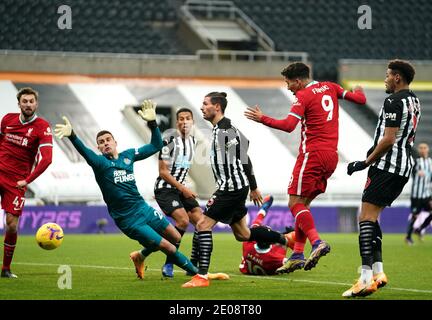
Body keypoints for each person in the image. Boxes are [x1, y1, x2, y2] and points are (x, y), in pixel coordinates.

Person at [54, 100, 208, 280]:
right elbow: (85, 152)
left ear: (115, 142)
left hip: (143, 208)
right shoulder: (100, 163)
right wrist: (72, 135)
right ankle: (198, 274)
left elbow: (156, 145)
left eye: (108, 140)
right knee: (168, 246)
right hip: (128, 219)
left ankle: (140, 256)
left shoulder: (128, 156)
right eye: (101, 142)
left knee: (176, 237)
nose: (105, 144)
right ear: (98, 147)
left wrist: (152, 123)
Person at [244, 62, 366, 275]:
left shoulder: (304, 96)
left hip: (312, 155)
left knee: (294, 202)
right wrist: (358, 91)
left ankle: (316, 242)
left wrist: (262, 119)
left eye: (288, 83)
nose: (288, 88)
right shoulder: (331, 86)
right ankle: (297, 254)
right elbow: (360, 100)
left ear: (298, 81)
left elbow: (289, 125)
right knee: (303, 205)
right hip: (331, 156)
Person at [182, 92, 288, 288]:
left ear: (217, 107)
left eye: (205, 104)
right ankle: (284, 238)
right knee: (243, 235)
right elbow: (245, 144)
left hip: (231, 189)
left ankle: (201, 276)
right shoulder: (219, 130)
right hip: (233, 187)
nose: (202, 107)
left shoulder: (225, 132)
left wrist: (254, 187)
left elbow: (244, 157)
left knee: (203, 225)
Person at [343, 59, 420, 297]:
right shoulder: (414, 100)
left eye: (388, 75)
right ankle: (378, 272)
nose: (385, 79)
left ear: (397, 77)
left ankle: (365, 279)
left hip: (386, 166)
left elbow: (388, 139)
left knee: (365, 218)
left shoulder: (393, 101)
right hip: (403, 167)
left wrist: (365, 162)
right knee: (373, 218)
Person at [0, 87, 53, 278]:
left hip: (16, 182)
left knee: (12, 225)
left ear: (36, 104)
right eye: (25, 101)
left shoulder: (42, 126)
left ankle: (5, 269)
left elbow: (46, 159)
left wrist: (27, 180)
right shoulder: (7, 119)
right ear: (19, 103)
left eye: (31, 101)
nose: (28, 104)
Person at [154, 107, 202, 278]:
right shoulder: (168, 141)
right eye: (181, 119)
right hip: (165, 189)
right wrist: (184, 188)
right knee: (183, 221)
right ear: (177, 123)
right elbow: (163, 172)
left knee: (202, 222)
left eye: (187, 118)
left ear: (192, 122)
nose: (184, 122)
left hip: (180, 189)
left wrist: (184, 187)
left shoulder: (193, 142)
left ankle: (194, 264)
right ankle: (169, 264)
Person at [239, 195, 296, 276]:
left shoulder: (247, 243)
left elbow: (258, 221)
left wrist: (265, 206)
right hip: (268, 264)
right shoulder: (276, 259)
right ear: (271, 242)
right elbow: (294, 263)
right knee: (290, 240)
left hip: (247, 268)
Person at [405, 142, 432, 244]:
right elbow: (410, 172)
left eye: (424, 148)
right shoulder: (416, 162)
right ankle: (408, 237)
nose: (422, 150)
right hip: (416, 195)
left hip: (427, 195)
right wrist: (416, 172)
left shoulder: (430, 162)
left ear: (427, 149)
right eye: (420, 148)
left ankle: (420, 229)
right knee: (415, 216)